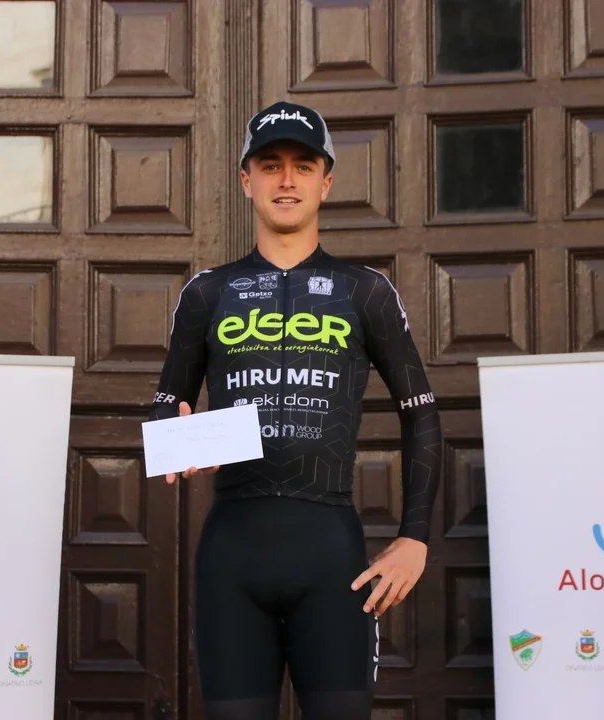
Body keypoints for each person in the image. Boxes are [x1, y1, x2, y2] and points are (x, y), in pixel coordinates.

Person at [147, 100, 443, 720]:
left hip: (330, 554)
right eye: (271, 165)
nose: (287, 180)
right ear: (246, 180)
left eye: (303, 166)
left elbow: (420, 412)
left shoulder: (365, 290)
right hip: (232, 556)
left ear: (325, 182)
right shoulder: (207, 292)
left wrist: (414, 538)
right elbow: (166, 406)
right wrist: (177, 439)